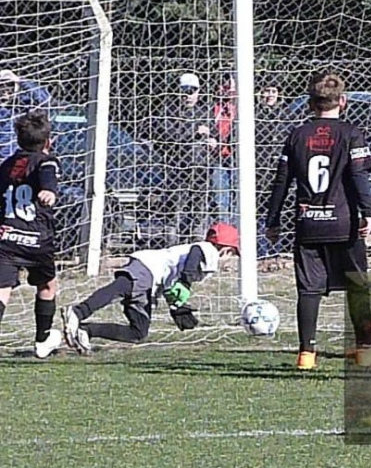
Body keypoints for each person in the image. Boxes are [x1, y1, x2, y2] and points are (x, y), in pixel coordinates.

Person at [264, 71, 371, 370]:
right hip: (343, 223)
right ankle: (365, 349)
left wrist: (272, 219)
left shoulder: (297, 135)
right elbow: (359, 176)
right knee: (358, 285)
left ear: (310, 103)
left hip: (308, 222)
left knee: (308, 288)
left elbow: (281, 180)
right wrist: (368, 212)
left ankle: (306, 354)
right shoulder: (350, 133)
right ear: (342, 101)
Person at [61, 223, 240, 353]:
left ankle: (86, 330)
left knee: (138, 332)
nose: (229, 260)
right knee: (121, 288)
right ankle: (78, 312)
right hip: (148, 268)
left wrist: (177, 308)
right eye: (231, 254)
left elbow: (172, 287)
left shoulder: (200, 263)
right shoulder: (208, 249)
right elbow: (196, 252)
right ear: (225, 249)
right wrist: (186, 280)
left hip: (152, 283)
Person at [0, 111, 61, 358]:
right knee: (47, 285)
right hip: (37, 239)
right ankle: (42, 339)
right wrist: (49, 191)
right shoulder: (46, 160)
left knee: (3, 289)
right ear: (48, 141)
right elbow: (47, 173)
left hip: (6, 238)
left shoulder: (6, 165)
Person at [156, 72, 214, 241]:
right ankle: (172, 248)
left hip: (202, 169)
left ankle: (197, 247)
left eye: (192, 90)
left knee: (200, 212)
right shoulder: (168, 112)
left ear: (198, 92)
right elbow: (168, 138)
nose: (188, 95)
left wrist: (213, 140)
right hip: (177, 170)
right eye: (185, 90)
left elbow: (215, 133)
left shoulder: (204, 112)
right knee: (175, 212)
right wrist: (194, 133)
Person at [255, 81, 293, 260]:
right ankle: (259, 250)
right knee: (257, 211)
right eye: (266, 91)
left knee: (278, 209)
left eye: (273, 91)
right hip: (257, 171)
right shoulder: (253, 115)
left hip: (279, 171)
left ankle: (276, 248)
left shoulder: (286, 116)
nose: (270, 95)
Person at [0, 69, 52, 158]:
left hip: (18, 155)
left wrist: (20, 81)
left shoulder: (22, 103)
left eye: (9, 85)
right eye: (2, 86)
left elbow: (44, 99)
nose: (6, 90)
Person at [211, 74, 238, 223]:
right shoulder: (213, 108)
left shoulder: (239, 108)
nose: (225, 90)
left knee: (237, 197)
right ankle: (225, 229)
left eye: (229, 86)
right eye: (222, 86)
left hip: (235, 157)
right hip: (218, 157)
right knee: (221, 198)